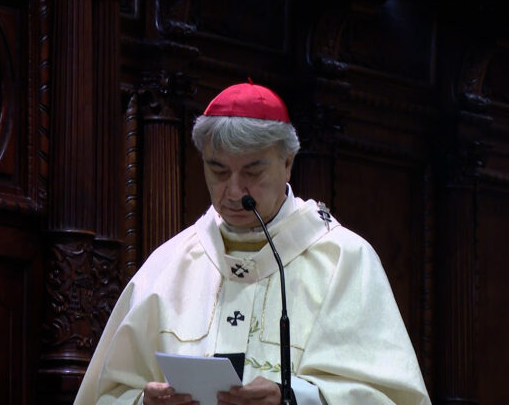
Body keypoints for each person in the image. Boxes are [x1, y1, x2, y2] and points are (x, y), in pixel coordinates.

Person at [74, 83, 431, 405]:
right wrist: (144, 403)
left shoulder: (343, 260)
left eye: (252, 172)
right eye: (218, 171)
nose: (233, 191)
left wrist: (293, 398)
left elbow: (390, 397)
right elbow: (108, 393)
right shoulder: (169, 264)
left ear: (287, 163)